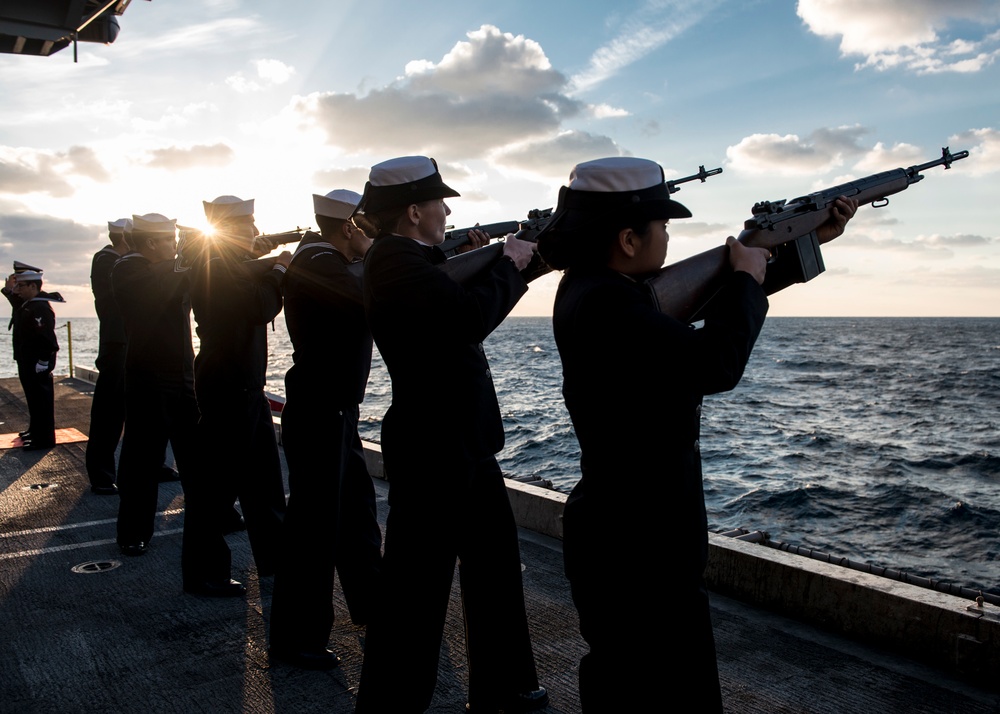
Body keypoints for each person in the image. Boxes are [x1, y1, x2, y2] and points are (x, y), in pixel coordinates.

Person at [534, 156, 858, 712]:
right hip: (640, 548)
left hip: (627, 534)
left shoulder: (600, 288)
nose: (668, 237)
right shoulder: (610, 303)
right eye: (662, 226)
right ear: (629, 239)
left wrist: (802, 244)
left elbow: (698, 307)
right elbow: (716, 362)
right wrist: (744, 276)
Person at [353, 156, 547, 714]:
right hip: (435, 448)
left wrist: (507, 259)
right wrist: (509, 263)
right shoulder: (392, 261)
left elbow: (447, 297)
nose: (446, 211)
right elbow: (465, 318)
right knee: (414, 594)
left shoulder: (411, 259)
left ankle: (507, 685)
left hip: (460, 441)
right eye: (439, 202)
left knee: (495, 570)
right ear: (413, 211)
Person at [268, 189, 383, 670]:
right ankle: (296, 640)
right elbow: (366, 297)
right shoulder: (318, 261)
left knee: (356, 516)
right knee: (311, 535)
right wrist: (389, 260)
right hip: (319, 414)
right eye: (368, 230)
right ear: (350, 226)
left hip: (337, 414)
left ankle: (373, 606)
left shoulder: (323, 259)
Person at [111, 213, 238, 593]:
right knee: (141, 460)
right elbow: (165, 281)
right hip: (149, 379)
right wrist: (193, 255)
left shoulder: (165, 267)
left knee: (198, 465)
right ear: (152, 243)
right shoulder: (128, 269)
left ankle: (215, 530)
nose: (173, 246)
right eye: (169, 240)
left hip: (183, 376)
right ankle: (133, 533)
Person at [189, 195, 289, 581]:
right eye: (248, 223)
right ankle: (205, 572)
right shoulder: (217, 262)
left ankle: (275, 561)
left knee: (264, 484)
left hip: (245, 384)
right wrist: (279, 268)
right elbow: (259, 306)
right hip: (227, 383)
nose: (254, 229)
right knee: (214, 489)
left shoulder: (225, 260)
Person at [87, 218, 180, 496]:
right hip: (119, 344)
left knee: (153, 410)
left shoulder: (132, 262)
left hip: (139, 343)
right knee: (109, 412)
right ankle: (102, 474)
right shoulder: (111, 262)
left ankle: (159, 464)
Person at [6, 268, 62, 451]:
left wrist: (44, 361)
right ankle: (37, 432)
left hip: (36, 363)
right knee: (34, 400)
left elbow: (47, 339)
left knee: (42, 402)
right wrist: (9, 290)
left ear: (33, 286)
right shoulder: (29, 304)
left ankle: (43, 439)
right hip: (27, 360)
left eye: (21, 285)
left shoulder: (40, 307)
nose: (18, 289)